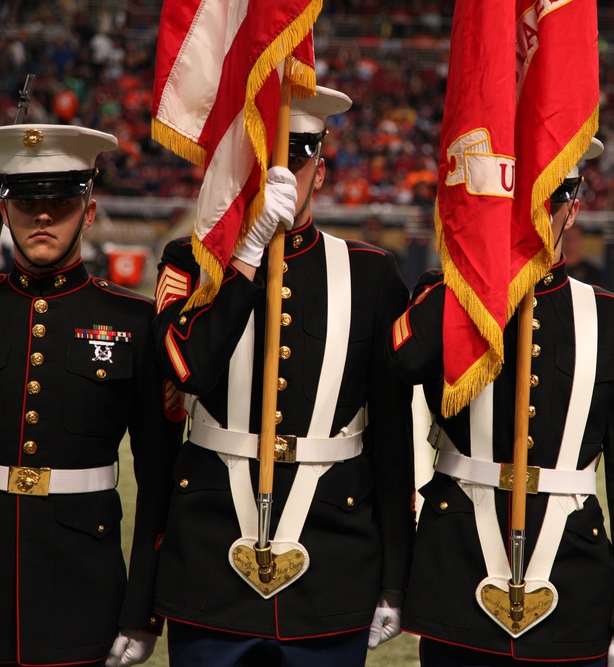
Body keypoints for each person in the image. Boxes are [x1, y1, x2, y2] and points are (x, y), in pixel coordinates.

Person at [0, 123, 181, 666]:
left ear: (89, 211)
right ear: (3, 211)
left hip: (81, 593)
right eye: (25, 203)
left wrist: (142, 608)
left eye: (60, 201)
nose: (42, 216)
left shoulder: (135, 323)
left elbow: (160, 476)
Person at [150, 86, 415, 666]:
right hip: (211, 563)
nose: (282, 177)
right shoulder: (190, 263)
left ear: (321, 169)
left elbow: (392, 443)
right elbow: (187, 370)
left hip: (332, 562)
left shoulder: (372, 277)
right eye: (264, 161)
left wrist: (396, 579)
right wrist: (244, 253)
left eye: (297, 159)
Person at [387, 138, 614, 665]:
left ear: (574, 206)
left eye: (551, 199)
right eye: (520, 201)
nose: (535, 216)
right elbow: (404, 360)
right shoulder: (449, 295)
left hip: (573, 577)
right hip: (458, 568)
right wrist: (475, 266)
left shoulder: (613, 321)